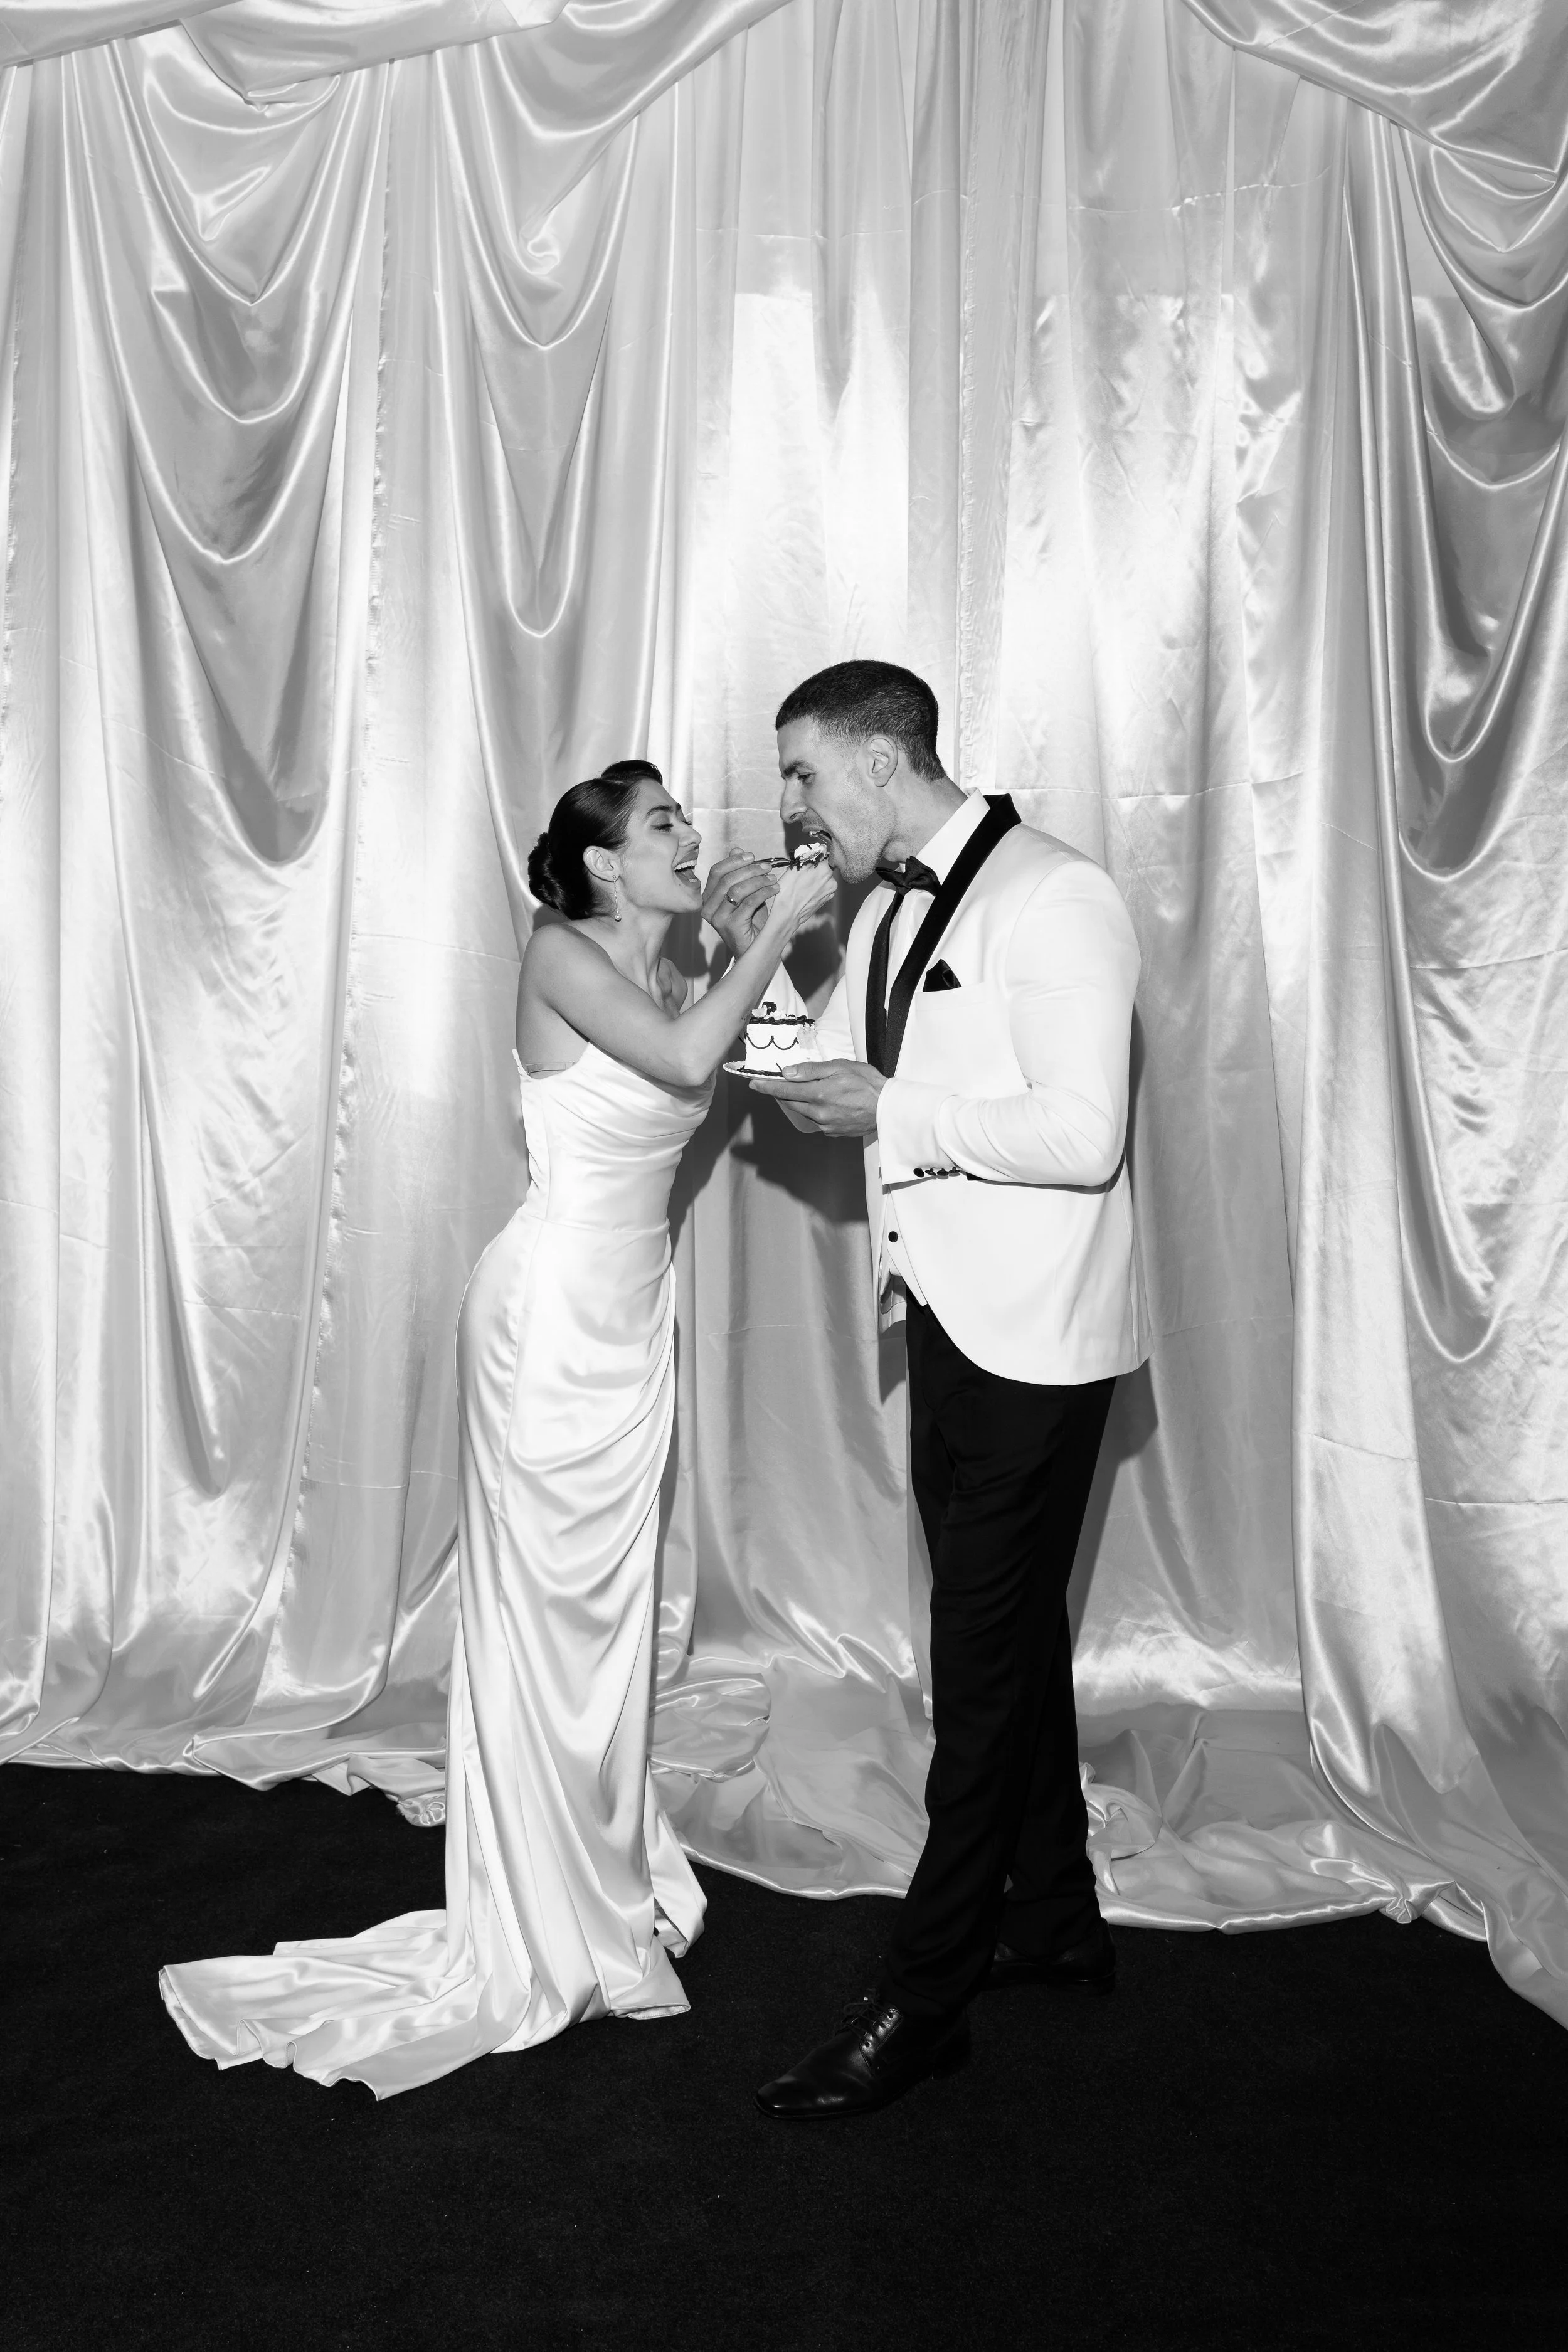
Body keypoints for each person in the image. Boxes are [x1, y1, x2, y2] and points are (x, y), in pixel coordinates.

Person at [159, 768, 834, 2097]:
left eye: (684, 820)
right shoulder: (559, 953)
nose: (691, 835)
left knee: (609, 1610)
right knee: (541, 1612)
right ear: (603, 864)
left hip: (631, 1317)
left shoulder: (672, 965)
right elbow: (685, 1062)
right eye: (662, 825)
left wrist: (753, 946)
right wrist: (776, 928)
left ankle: (595, 1864)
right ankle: (535, 1902)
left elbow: (766, 1069)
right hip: (546, 1325)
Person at [701, 660, 1148, 2120]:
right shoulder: (890, 910)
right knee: (1005, 1644)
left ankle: (925, 1993)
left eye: (801, 772)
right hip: (945, 1328)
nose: (790, 805)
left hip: (1038, 1345)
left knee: (975, 1671)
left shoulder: (1055, 894)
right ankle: (1054, 1921)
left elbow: (1081, 1136)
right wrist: (762, 961)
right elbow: (810, 1088)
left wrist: (900, 1108)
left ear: (880, 763)